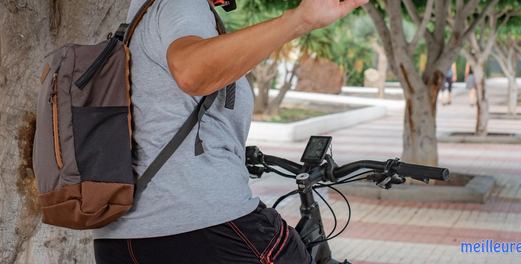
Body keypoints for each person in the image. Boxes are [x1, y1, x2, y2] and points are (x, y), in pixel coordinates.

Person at [93, 0, 368, 263]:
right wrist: (300, 20)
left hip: (121, 239)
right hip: (205, 226)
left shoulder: (142, 16)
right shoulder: (181, 4)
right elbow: (191, 70)